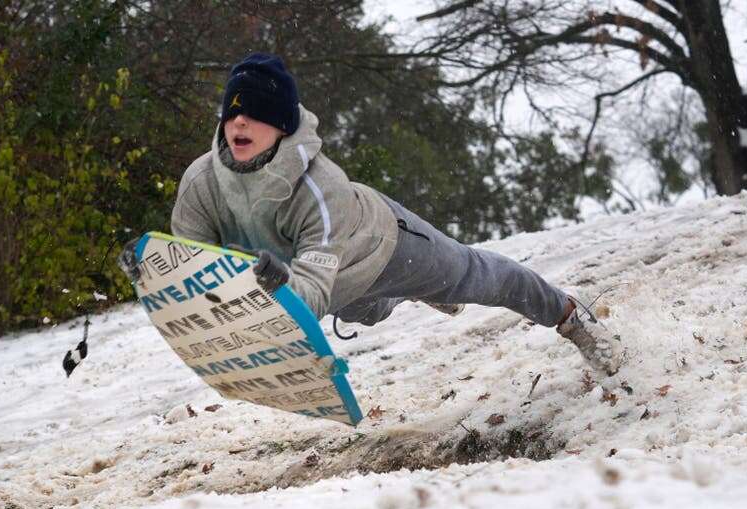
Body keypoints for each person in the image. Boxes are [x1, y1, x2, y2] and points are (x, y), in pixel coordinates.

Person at [119, 53, 623, 376]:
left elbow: (312, 296)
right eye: (232, 112)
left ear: (284, 125)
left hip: (383, 247)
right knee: (371, 310)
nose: (241, 122)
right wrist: (154, 270)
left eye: (256, 113)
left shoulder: (320, 188)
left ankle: (570, 316)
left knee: (476, 275)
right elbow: (193, 262)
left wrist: (279, 288)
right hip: (340, 292)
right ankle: (408, 298)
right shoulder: (201, 183)